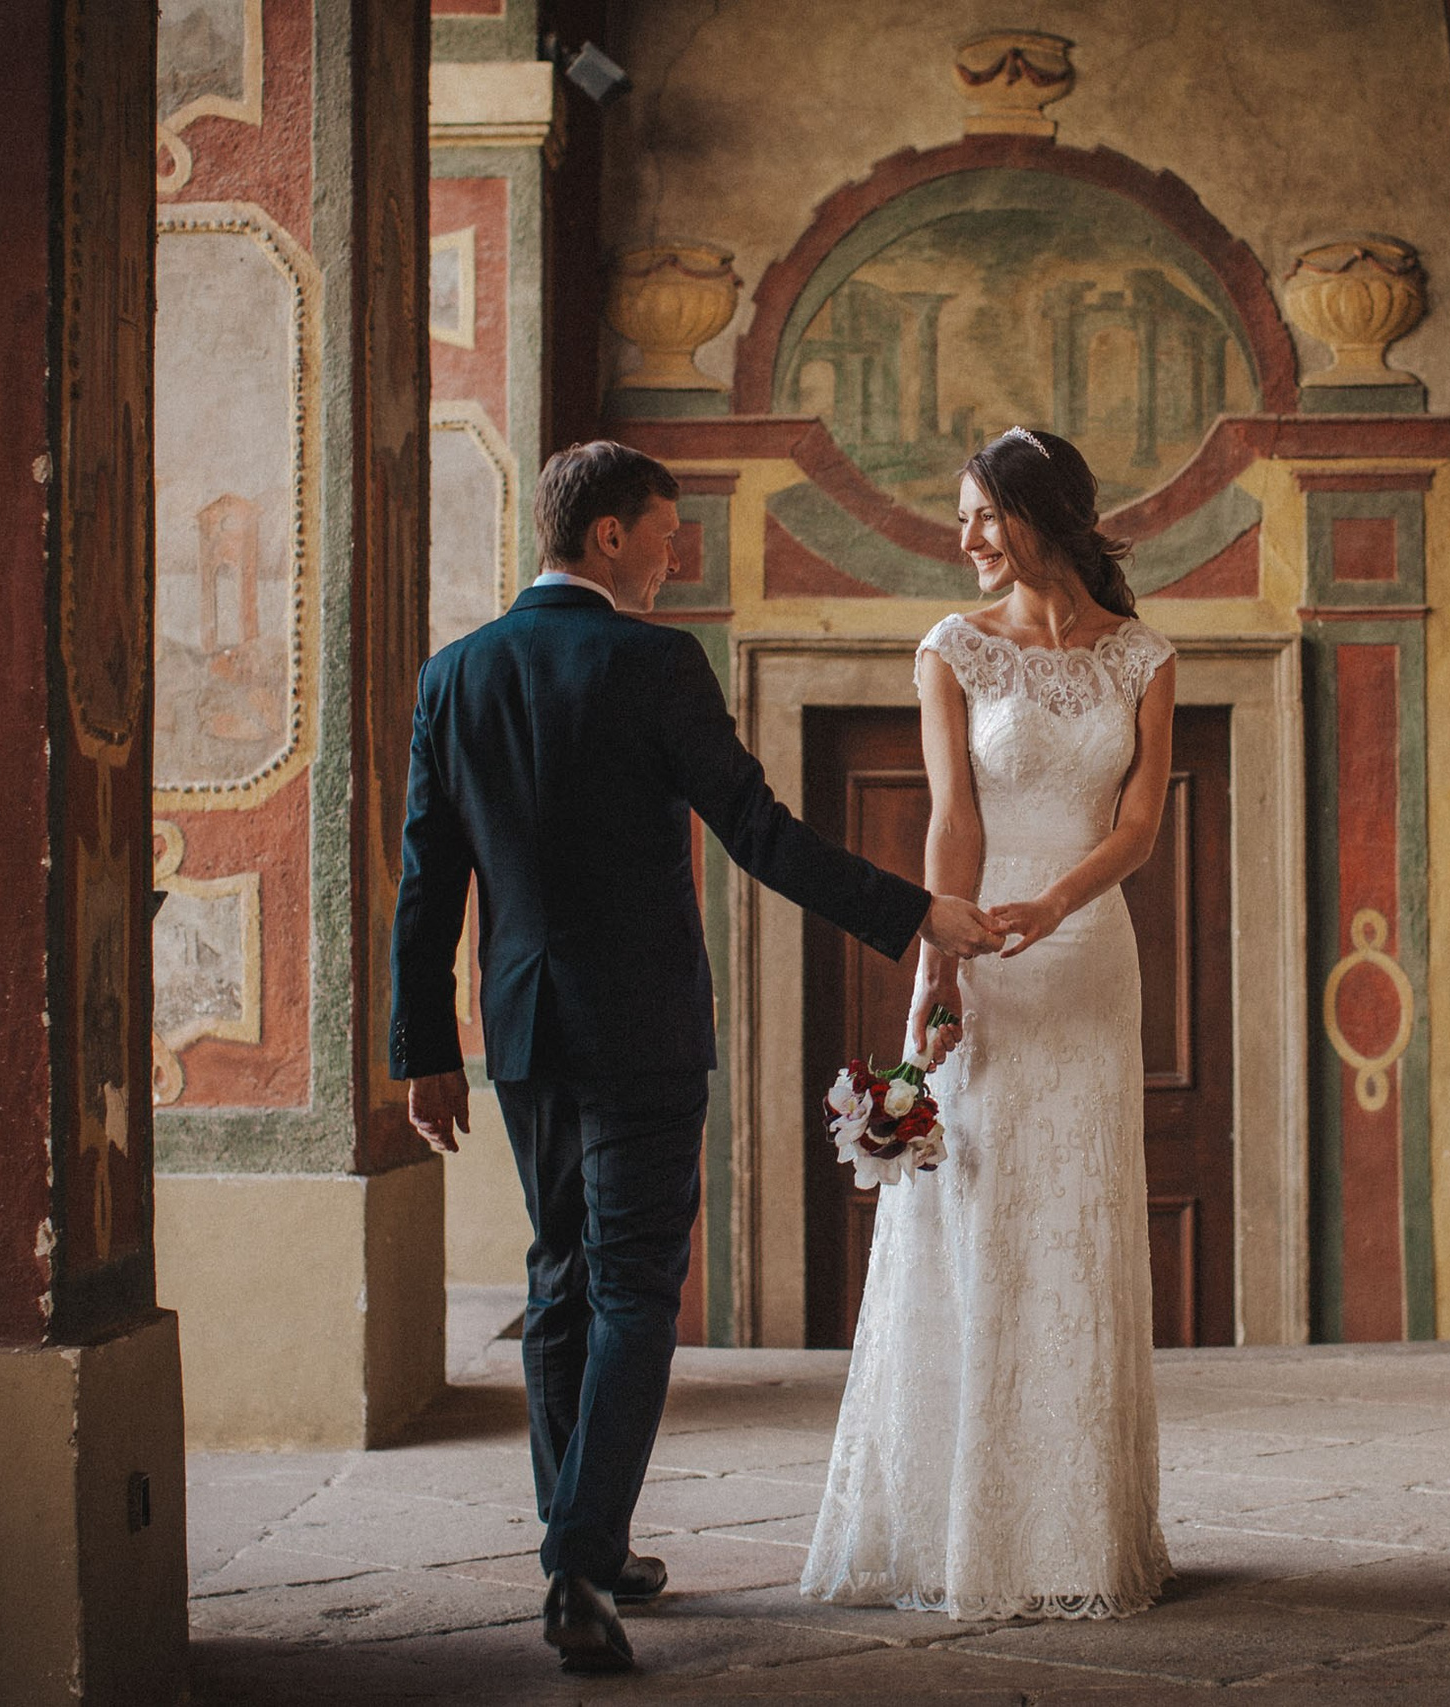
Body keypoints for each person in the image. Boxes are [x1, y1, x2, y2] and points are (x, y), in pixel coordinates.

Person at [391, 440, 1006, 1675]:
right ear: (609, 535)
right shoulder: (652, 663)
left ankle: (587, 1545)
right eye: (666, 532)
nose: (676, 557)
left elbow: (427, 880)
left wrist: (423, 1049)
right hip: (641, 1030)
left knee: (559, 1275)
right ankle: (578, 1562)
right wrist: (910, 912)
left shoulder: (454, 674)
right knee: (628, 1288)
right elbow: (760, 834)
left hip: (518, 1033)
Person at [800, 426, 1176, 1620]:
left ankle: (1077, 1530)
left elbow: (1138, 826)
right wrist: (944, 959)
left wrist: (1054, 904)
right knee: (972, 1212)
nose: (962, 539)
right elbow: (949, 822)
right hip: (977, 951)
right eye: (960, 517)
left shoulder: (1144, 656)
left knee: (1077, 1219)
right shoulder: (953, 650)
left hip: (1086, 951)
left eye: (980, 515)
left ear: (1038, 514)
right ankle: (955, 1526)